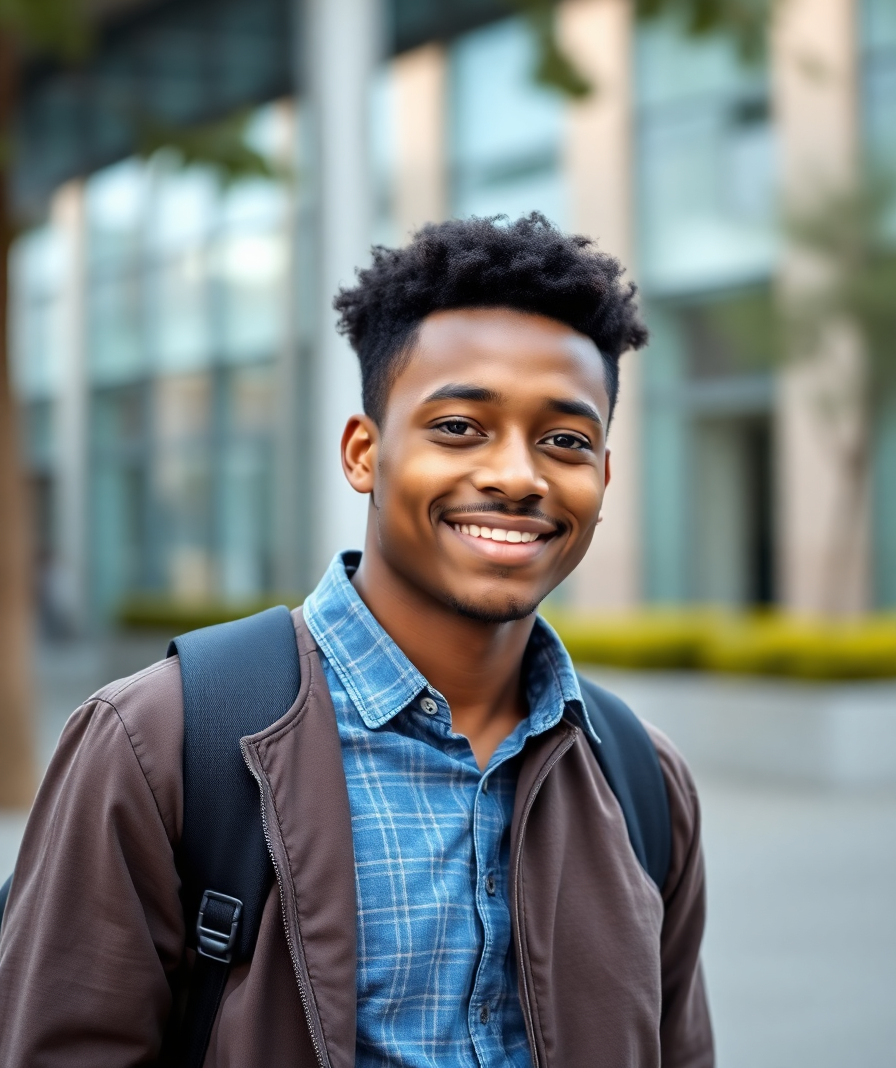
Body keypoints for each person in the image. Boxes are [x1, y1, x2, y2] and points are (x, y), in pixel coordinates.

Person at [0, 213, 713, 1067]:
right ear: (364, 452)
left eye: (565, 440)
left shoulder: (642, 779)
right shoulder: (158, 742)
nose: (517, 476)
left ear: (602, 475)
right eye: (459, 427)